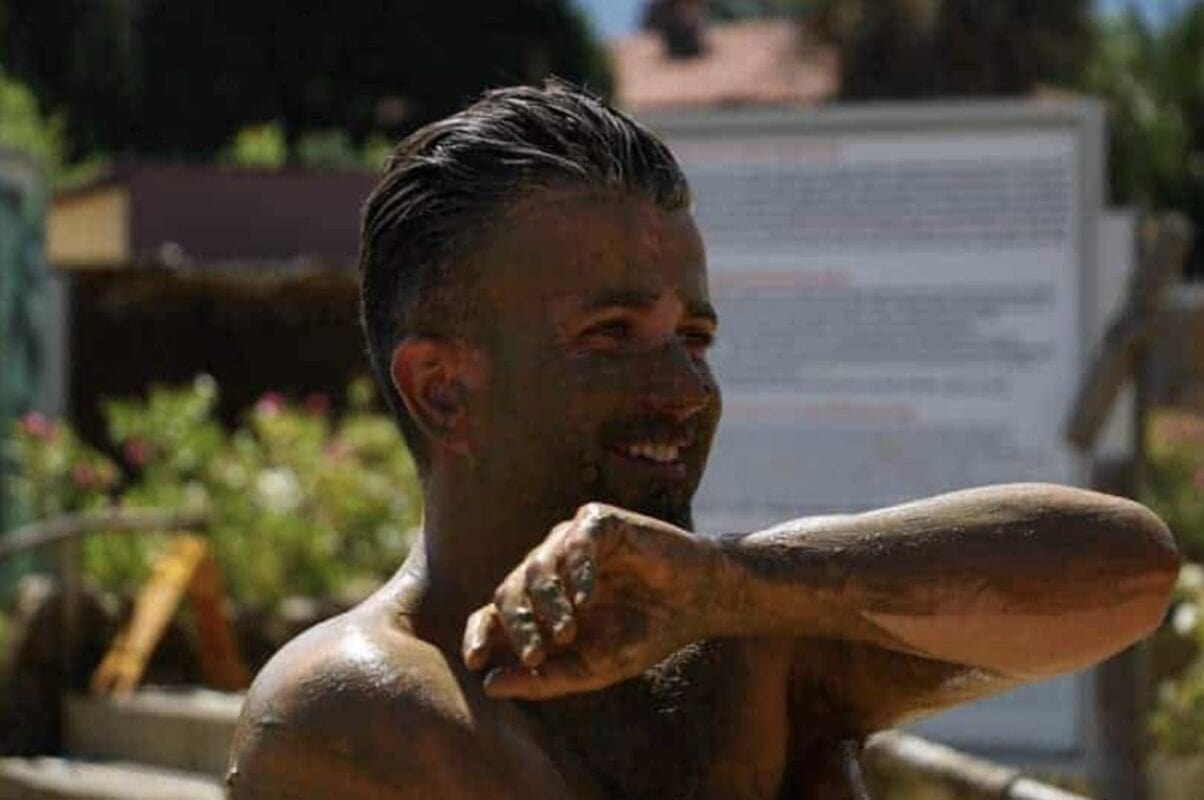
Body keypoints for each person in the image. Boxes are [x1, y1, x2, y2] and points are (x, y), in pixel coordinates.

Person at [226, 81, 1178, 800]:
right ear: (444, 389)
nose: (686, 387)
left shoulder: (731, 632)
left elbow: (1129, 572)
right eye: (611, 335)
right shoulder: (348, 707)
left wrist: (734, 591)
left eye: (695, 338)